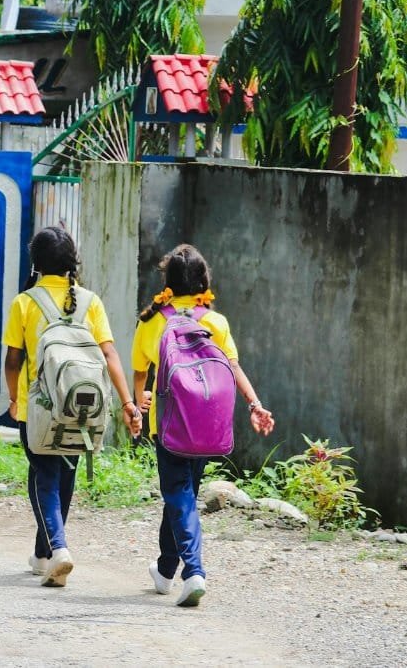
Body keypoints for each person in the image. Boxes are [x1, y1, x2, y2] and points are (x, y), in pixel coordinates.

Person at [131, 244, 275, 607]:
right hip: (208, 425)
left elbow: (140, 371)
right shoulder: (215, 321)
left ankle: (193, 571)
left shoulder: (152, 321)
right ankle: (165, 571)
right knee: (181, 495)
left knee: (178, 495)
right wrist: (255, 405)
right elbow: (234, 367)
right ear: (203, 281)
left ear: (168, 281)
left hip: (168, 425)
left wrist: (138, 400)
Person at [3, 226, 142, 588]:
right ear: (71, 261)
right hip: (82, 407)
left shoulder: (24, 302)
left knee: (43, 476)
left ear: (36, 263)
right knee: (63, 474)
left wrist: (14, 397)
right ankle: (43, 554)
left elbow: (13, 360)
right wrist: (127, 402)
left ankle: (59, 548)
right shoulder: (91, 301)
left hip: (39, 407)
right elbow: (109, 353)